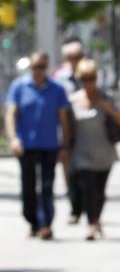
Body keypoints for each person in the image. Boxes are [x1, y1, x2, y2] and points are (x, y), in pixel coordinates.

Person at [5, 52, 72, 240]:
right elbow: (11, 113)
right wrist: (13, 139)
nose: (38, 71)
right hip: (26, 145)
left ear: (47, 66)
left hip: (49, 145)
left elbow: (64, 118)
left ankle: (46, 223)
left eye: (41, 67)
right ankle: (32, 221)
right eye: (35, 67)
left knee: (47, 186)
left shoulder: (57, 89)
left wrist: (65, 145)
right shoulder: (19, 86)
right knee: (28, 187)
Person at [65, 59, 120, 241]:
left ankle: (96, 219)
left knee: (100, 191)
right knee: (88, 188)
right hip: (81, 153)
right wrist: (64, 149)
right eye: (84, 78)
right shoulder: (73, 100)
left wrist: (109, 110)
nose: (88, 82)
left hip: (104, 152)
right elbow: (67, 127)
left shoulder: (105, 98)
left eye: (91, 78)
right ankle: (92, 224)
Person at [52, 39, 85, 224]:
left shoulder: (91, 73)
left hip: (88, 130)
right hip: (67, 129)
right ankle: (74, 205)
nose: (75, 60)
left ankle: (87, 204)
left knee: (87, 170)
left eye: (78, 56)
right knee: (69, 169)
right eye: (71, 57)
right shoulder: (59, 78)